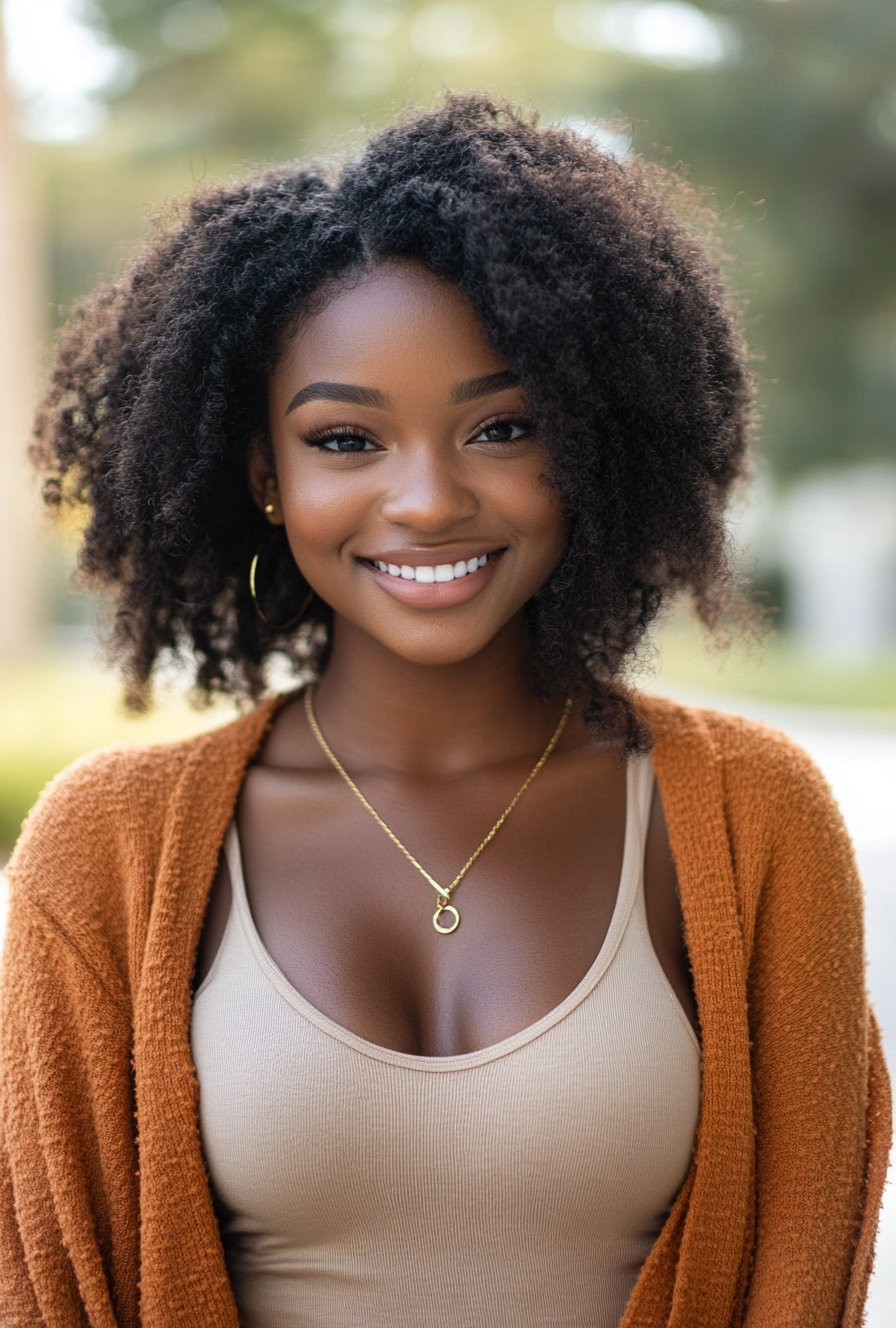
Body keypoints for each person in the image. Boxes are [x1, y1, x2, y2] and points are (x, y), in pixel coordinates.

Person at [0, 94, 889, 1328]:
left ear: (589, 441)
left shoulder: (751, 821)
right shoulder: (107, 850)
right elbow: (46, 1287)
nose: (425, 498)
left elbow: (802, 1275)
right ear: (263, 474)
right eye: (347, 437)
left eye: (502, 426)